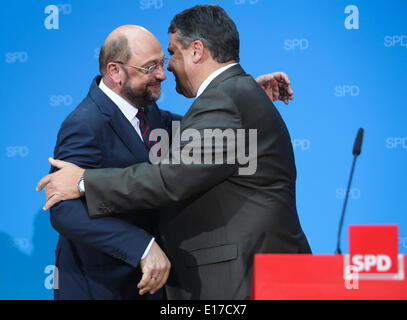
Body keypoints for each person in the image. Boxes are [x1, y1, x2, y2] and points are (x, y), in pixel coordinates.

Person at [38, 5, 309, 300]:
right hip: (103, 285)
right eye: (149, 67)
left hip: (219, 276)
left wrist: (83, 181)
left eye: (166, 59)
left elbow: (173, 173)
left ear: (197, 52)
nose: (163, 73)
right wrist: (140, 246)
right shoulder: (85, 123)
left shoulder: (190, 107)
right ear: (115, 71)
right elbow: (64, 210)